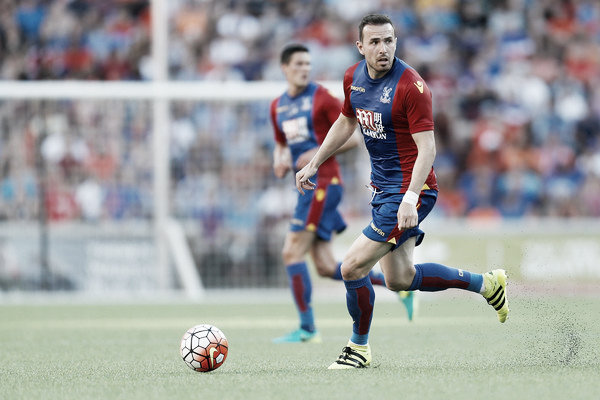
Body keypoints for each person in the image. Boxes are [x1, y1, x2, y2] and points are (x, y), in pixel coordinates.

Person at [295, 14, 509, 368]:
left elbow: (428, 149)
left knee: (350, 267)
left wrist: (410, 198)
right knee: (400, 279)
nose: (383, 49)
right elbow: (347, 120)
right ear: (360, 46)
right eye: (375, 42)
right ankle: (487, 284)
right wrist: (315, 162)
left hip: (412, 190)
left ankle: (357, 349)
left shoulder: (412, 86)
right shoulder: (353, 77)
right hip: (383, 190)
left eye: (389, 41)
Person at [270, 44, 414, 344]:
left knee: (291, 252)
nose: (304, 69)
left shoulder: (321, 97)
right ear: (285, 68)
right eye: (298, 64)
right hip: (306, 189)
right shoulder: (278, 106)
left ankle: (308, 329)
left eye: (308, 64)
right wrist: (280, 158)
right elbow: (281, 144)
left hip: (324, 184)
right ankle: (397, 288)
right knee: (324, 266)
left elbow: (352, 135)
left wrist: (312, 154)